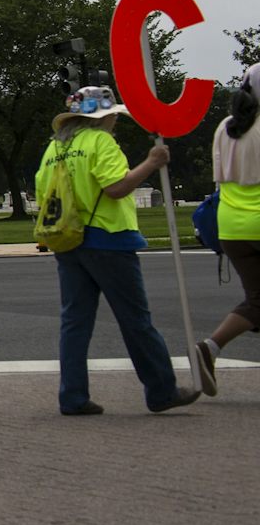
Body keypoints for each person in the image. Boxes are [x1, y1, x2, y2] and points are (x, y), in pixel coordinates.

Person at [38, 84, 199, 417]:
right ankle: (161, 390)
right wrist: (151, 163)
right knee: (136, 320)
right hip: (108, 238)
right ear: (103, 117)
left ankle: (72, 395)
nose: (116, 122)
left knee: (74, 322)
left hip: (68, 238)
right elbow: (116, 188)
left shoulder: (55, 148)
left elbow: (42, 190)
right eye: (113, 116)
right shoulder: (101, 142)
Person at [198, 62, 260, 395]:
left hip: (232, 226)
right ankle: (210, 347)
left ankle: (211, 347)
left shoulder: (225, 127)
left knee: (257, 301)